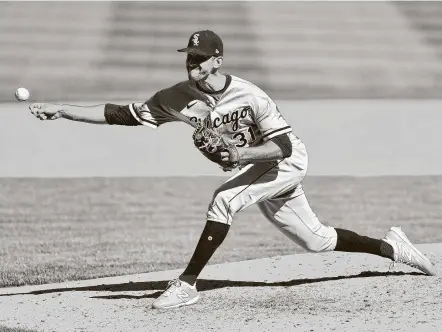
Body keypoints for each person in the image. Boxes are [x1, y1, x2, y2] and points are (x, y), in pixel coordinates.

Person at [30, 30, 436, 310]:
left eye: (200, 58)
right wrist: (62, 110)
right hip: (261, 172)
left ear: (216, 60)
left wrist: (237, 158)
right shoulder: (175, 98)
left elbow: (282, 146)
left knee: (225, 198)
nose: (192, 64)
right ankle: (394, 247)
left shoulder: (250, 94)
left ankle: (186, 284)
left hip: (286, 163)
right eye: (189, 58)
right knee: (317, 241)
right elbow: (121, 114)